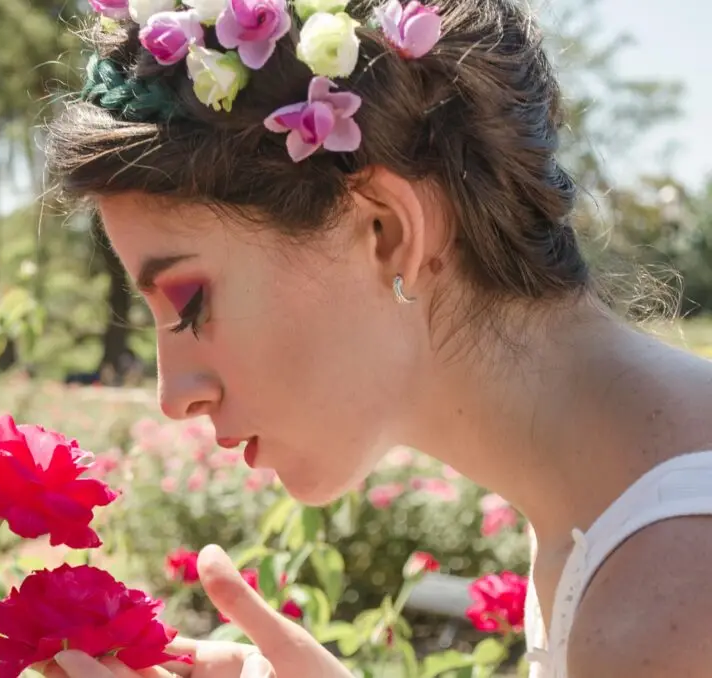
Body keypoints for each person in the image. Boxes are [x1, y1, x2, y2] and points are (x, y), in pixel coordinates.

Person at [40, 0, 712, 676]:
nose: (172, 395)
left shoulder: (668, 603)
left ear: (387, 232)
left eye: (190, 306)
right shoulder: (620, 534)